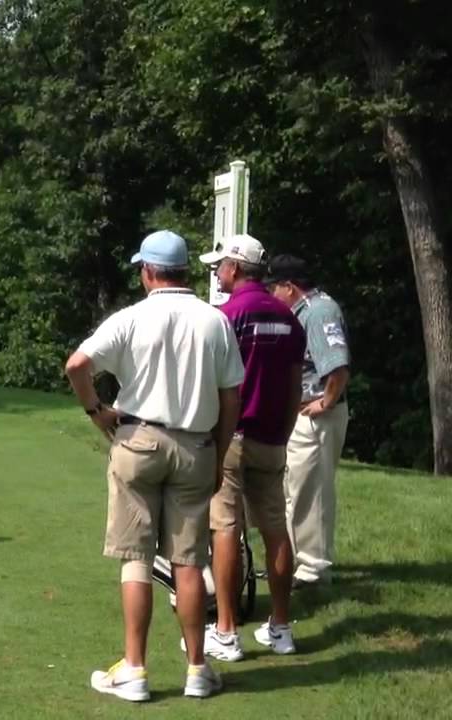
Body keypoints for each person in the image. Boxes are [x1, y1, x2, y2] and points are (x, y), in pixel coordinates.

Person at [65, 230, 244, 702]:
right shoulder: (214, 321)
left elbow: (77, 364)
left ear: (147, 272)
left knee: (137, 558)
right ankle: (197, 669)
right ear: (185, 271)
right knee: (188, 562)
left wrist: (96, 411)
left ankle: (136, 670)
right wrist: (219, 452)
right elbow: (231, 398)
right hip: (195, 445)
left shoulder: (130, 318)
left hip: (138, 440)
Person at [195, 235, 306, 660]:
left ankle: (225, 632)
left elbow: (215, 384)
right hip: (274, 438)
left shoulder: (226, 317)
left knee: (225, 527)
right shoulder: (288, 318)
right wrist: (285, 429)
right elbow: (296, 385)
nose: (216, 273)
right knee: (275, 528)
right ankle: (280, 627)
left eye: (219, 266)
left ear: (236, 269)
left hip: (233, 437)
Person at [267, 254, 350, 588]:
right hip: (302, 414)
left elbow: (338, 366)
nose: (271, 294)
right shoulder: (305, 310)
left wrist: (325, 402)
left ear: (290, 286)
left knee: (311, 492)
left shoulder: (319, 312)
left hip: (317, 417)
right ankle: (296, 563)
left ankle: (313, 569)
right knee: (297, 490)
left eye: (273, 287)